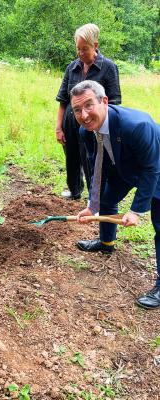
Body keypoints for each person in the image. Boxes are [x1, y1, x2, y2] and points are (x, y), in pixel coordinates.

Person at [70, 80, 160, 309]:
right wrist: (93, 204)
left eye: (89, 105)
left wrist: (136, 210)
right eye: (77, 110)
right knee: (107, 200)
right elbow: (96, 164)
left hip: (155, 168)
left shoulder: (137, 125)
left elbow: (151, 169)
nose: (84, 114)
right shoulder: (85, 130)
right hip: (124, 165)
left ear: (105, 102)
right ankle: (106, 242)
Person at [55, 23, 121, 200]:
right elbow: (63, 100)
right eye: (78, 49)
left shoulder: (108, 67)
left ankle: (95, 197)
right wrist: (59, 127)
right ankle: (74, 190)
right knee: (71, 157)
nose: (81, 53)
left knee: (92, 159)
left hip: (93, 124)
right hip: (70, 121)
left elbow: (114, 102)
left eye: (85, 49)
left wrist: (102, 127)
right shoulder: (72, 67)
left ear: (95, 46)